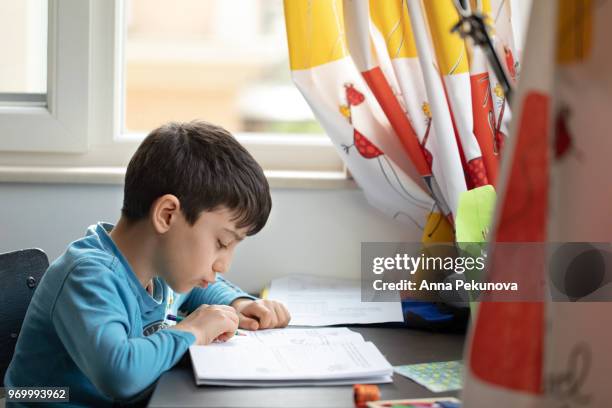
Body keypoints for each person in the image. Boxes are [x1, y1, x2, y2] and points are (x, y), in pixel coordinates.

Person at [4, 121, 290, 407]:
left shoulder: (159, 267)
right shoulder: (88, 276)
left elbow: (196, 291)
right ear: (167, 215)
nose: (224, 265)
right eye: (222, 243)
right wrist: (195, 331)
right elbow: (120, 373)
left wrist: (237, 303)